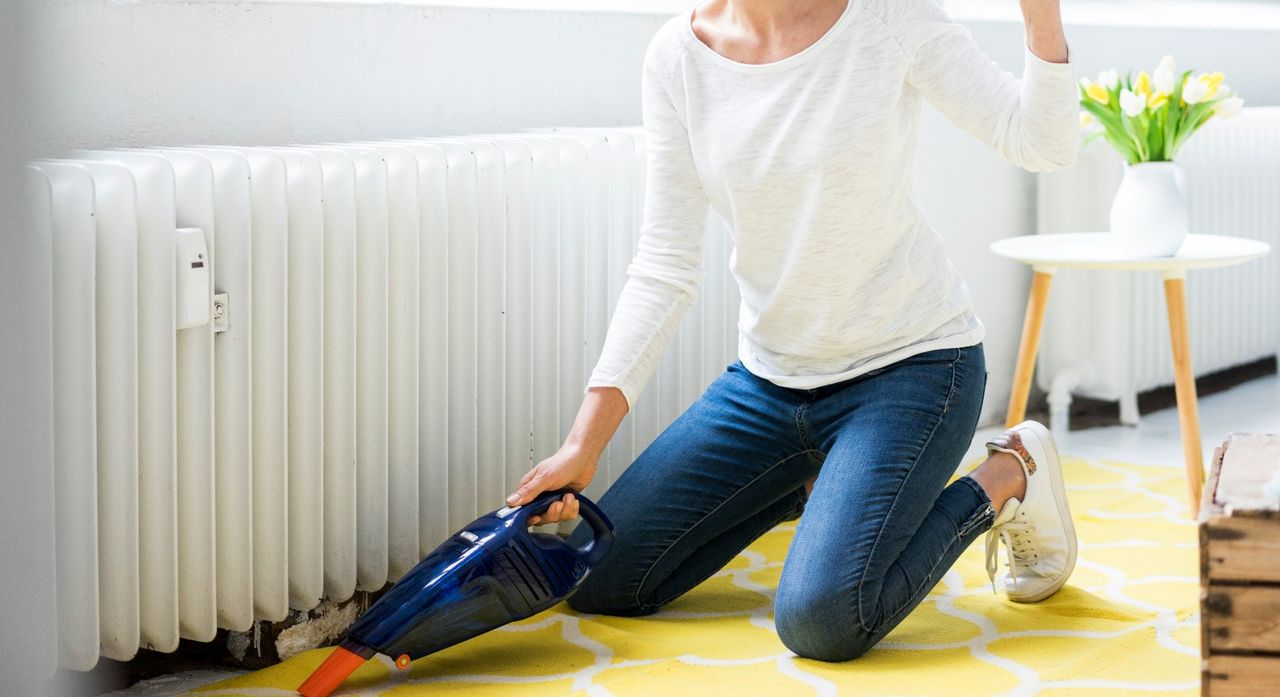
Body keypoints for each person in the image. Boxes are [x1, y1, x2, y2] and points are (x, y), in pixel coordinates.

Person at [505, 0, 1079, 661]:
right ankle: (825, 485)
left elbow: (1043, 143)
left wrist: (1041, 15)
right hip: (768, 385)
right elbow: (665, 264)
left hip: (914, 372)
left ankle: (1008, 473)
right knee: (599, 574)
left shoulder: (887, 19)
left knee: (822, 620)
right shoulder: (678, 56)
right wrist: (585, 441)